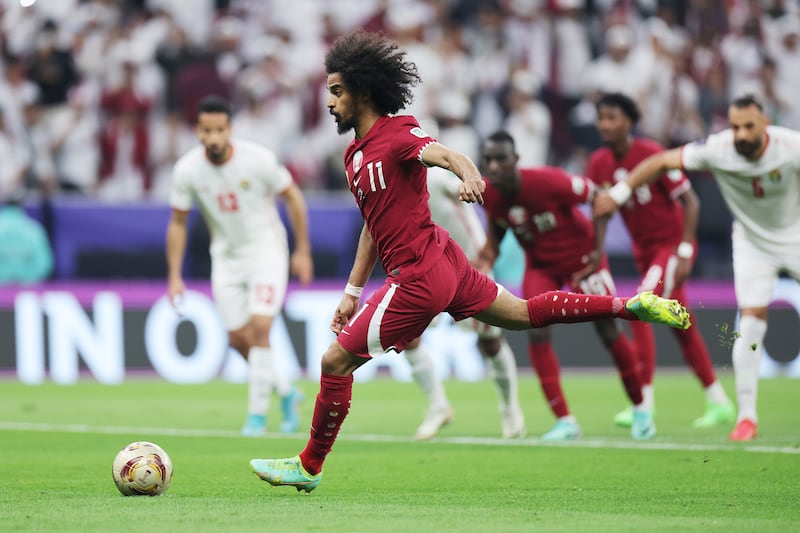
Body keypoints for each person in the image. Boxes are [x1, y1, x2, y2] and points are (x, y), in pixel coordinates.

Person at [250, 29, 690, 493]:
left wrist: (471, 173)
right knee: (521, 314)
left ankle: (309, 465)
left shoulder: (399, 132)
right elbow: (373, 225)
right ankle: (629, 305)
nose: (330, 102)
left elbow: (443, 154)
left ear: (361, 92)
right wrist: (352, 293)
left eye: (337, 92)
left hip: (418, 274)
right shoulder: (354, 156)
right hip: (447, 263)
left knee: (334, 362)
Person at [594, 94, 800, 442]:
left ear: (766, 123)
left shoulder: (791, 146)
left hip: (792, 236)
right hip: (752, 244)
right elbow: (662, 161)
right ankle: (745, 416)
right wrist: (621, 192)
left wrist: (685, 246)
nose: (741, 134)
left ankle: (650, 401)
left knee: (652, 309)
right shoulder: (719, 149)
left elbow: (685, 196)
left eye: (749, 126)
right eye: (735, 127)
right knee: (746, 325)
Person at [475, 131, 651, 442]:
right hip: (541, 265)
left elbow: (599, 197)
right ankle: (565, 421)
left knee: (608, 330)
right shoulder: (490, 193)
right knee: (535, 328)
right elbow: (499, 227)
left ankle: (641, 409)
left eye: (500, 158)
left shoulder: (549, 181)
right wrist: (487, 258)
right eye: (488, 160)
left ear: (516, 159)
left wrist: (597, 252)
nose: (494, 166)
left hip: (582, 259)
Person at [166, 95, 313, 437]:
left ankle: (256, 417)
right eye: (207, 131)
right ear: (197, 131)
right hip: (227, 260)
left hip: (266, 253)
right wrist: (174, 275)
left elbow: (293, 196)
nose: (214, 137)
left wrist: (302, 250)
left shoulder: (258, 160)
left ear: (229, 129)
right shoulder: (187, 170)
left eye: (220, 129)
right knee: (237, 339)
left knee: (261, 329)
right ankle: (287, 393)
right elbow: (177, 222)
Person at [586, 92, 734, 429]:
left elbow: (691, 202)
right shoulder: (599, 162)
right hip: (644, 252)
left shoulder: (651, 154)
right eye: (601, 118)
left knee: (640, 309)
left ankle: (644, 404)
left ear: (629, 122)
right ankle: (719, 401)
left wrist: (684, 250)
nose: (604, 125)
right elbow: (601, 212)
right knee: (682, 325)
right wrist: (596, 251)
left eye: (612, 117)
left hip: (669, 247)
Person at [403, 166, 526, 441]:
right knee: (406, 336)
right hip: (429, 269)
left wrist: (484, 251)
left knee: (489, 341)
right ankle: (438, 406)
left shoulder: (435, 176)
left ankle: (509, 408)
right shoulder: (398, 185)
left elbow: (477, 194)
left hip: (471, 265)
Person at [0, 194, 53, 285]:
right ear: (21, 208)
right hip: (28, 286)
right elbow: (44, 263)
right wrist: (28, 278)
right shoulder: (34, 229)